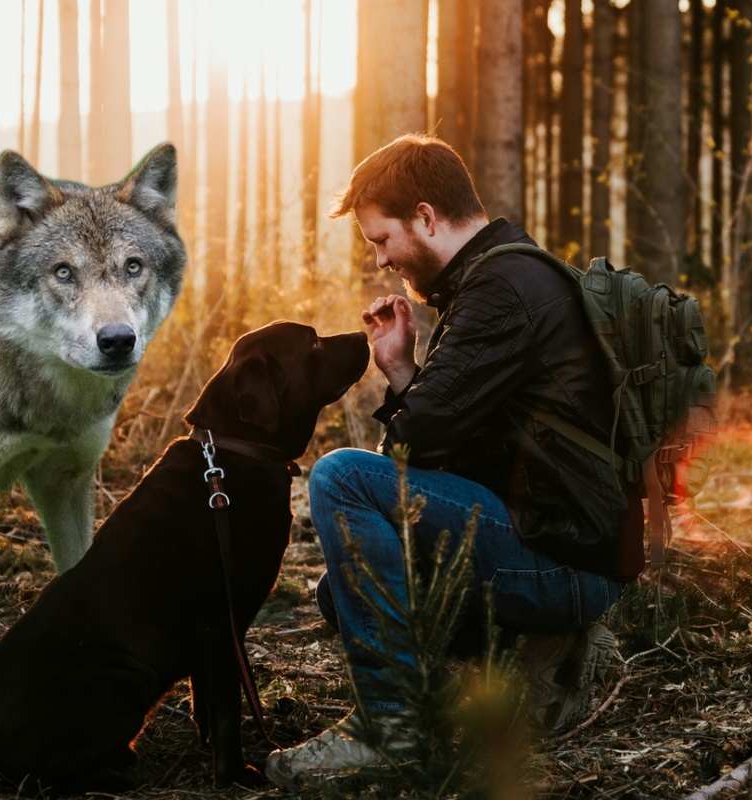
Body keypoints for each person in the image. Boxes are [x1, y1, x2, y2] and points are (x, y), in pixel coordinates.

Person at [264, 134, 644, 790]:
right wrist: (405, 369)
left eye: (382, 240)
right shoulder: (503, 275)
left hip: (567, 558)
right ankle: (550, 650)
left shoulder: (502, 292)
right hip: (570, 543)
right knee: (341, 592)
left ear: (427, 218)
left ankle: (392, 732)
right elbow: (452, 448)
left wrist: (407, 395)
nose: (382, 260)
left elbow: (409, 451)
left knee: (341, 478)